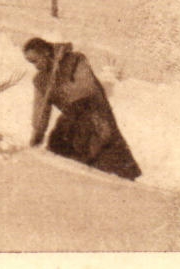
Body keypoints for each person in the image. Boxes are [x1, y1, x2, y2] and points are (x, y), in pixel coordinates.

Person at [23, 37, 142, 180]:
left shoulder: (75, 60)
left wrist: (60, 88)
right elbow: (40, 110)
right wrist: (37, 134)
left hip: (96, 113)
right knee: (62, 153)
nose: (35, 66)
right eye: (31, 63)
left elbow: (87, 88)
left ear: (45, 53)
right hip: (72, 121)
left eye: (35, 61)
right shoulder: (40, 80)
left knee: (111, 161)